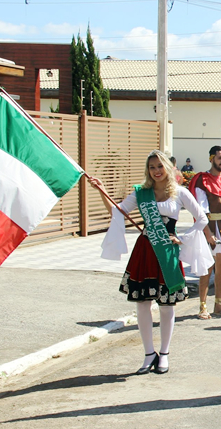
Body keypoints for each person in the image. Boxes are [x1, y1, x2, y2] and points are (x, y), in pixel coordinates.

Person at [89, 150, 213, 375]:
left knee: (166, 305)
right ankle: (148, 354)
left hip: (167, 252)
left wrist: (183, 238)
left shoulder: (180, 193)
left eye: (159, 166)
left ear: (167, 167)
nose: (156, 171)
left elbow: (202, 218)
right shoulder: (141, 193)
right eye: (152, 167)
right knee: (142, 303)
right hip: (145, 250)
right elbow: (118, 212)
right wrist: (102, 192)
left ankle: (164, 353)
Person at [189, 146, 221, 319]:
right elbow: (200, 211)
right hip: (207, 227)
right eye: (220, 158)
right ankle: (202, 306)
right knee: (206, 268)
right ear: (211, 159)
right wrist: (208, 233)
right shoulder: (202, 180)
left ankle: (219, 303)